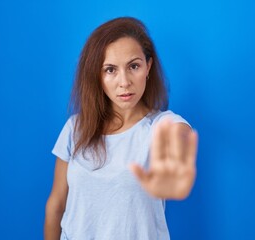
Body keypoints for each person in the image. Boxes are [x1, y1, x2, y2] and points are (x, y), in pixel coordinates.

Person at [44, 17, 198, 240]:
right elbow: (56, 205)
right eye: (110, 70)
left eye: (133, 66)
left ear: (148, 67)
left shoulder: (159, 125)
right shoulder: (75, 128)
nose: (124, 82)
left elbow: (178, 132)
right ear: (97, 75)